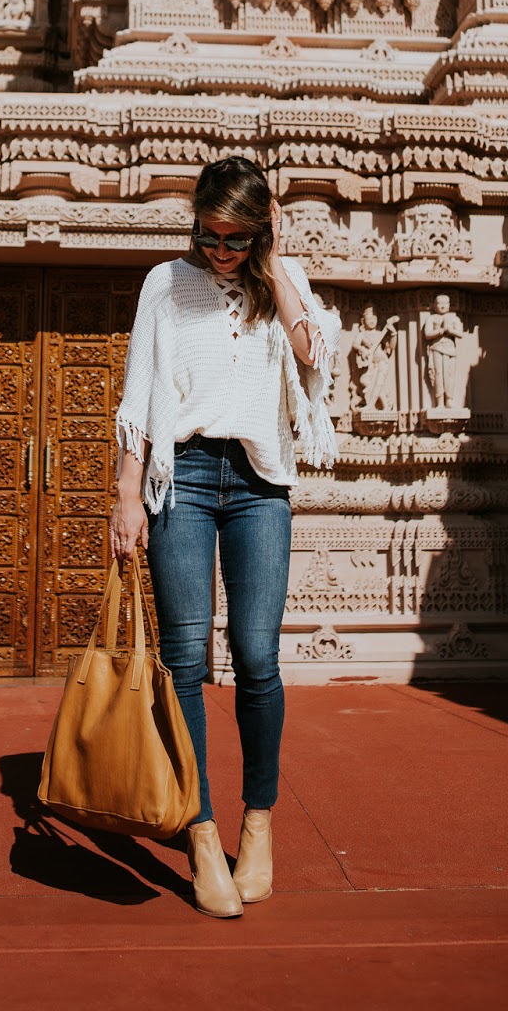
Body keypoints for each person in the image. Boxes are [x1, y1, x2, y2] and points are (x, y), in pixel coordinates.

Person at [110, 156, 340, 918]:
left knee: (256, 656)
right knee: (184, 658)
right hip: (183, 476)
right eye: (209, 236)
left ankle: (258, 821)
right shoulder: (165, 284)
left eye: (236, 238)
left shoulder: (282, 278)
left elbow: (314, 357)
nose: (220, 251)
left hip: (259, 483)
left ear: (261, 231)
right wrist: (126, 496)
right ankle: (201, 830)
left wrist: (275, 269)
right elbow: (140, 392)